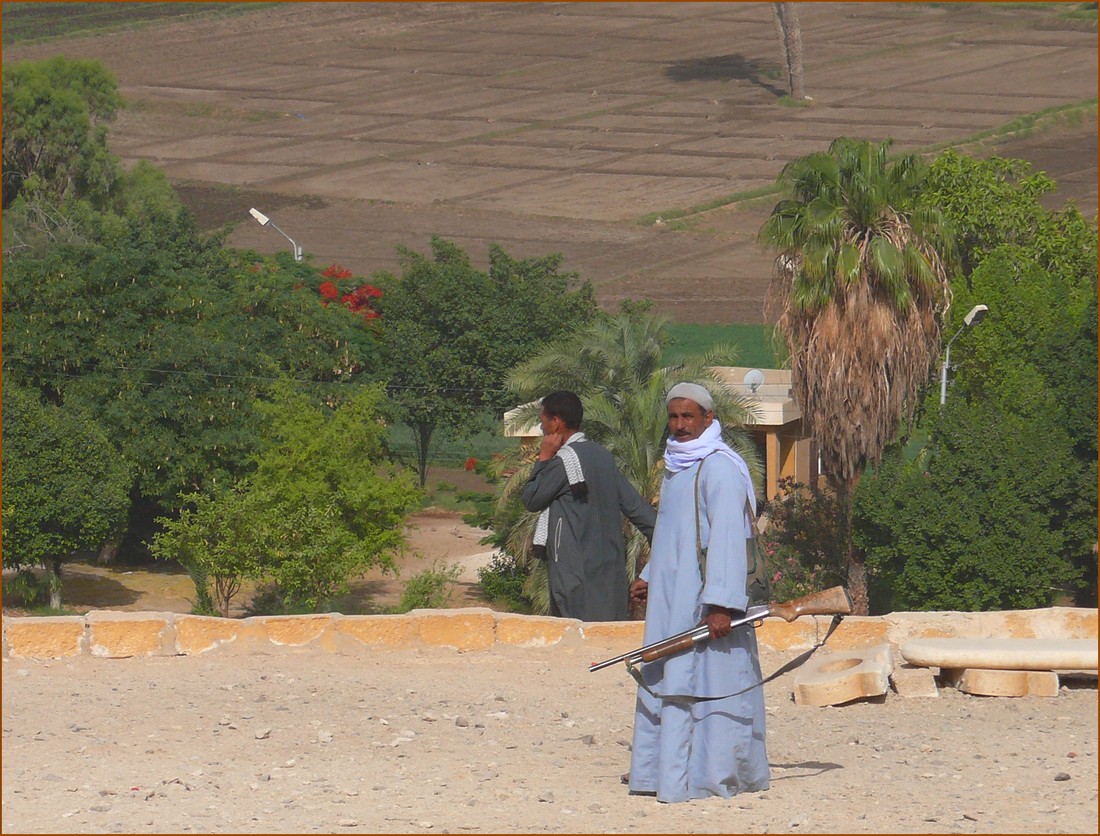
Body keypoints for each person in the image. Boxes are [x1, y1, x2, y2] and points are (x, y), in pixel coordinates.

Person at [625, 381, 769, 803]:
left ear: (708, 418)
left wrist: (722, 605)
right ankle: (663, 774)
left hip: (708, 605)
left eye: (688, 416)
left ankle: (708, 777)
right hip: (672, 598)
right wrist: (651, 575)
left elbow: (728, 538)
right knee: (668, 677)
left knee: (709, 680)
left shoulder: (719, 467)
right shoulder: (676, 465)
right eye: (673, 416)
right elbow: (675, 532)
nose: (680, 425)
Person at [519, 390, 656, 622]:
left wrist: (543, 459)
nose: (542, 430)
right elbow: (646, 518)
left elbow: (532, 498)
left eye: (543, 423)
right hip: (610, 579)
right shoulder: (603, 456)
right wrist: (653, 571)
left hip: (573, 578)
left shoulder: (564, 462)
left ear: (556, 422)